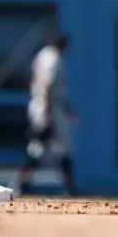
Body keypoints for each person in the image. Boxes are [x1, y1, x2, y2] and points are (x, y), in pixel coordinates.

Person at [16, 32, 77, 196]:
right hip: (47, 107)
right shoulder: (54, 58)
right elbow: (48, 87)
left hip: (41, 104)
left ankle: (23, 183)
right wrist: (48, 113)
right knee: (56, 147)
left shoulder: (42, 55)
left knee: (39, 148)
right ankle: (70, 187)